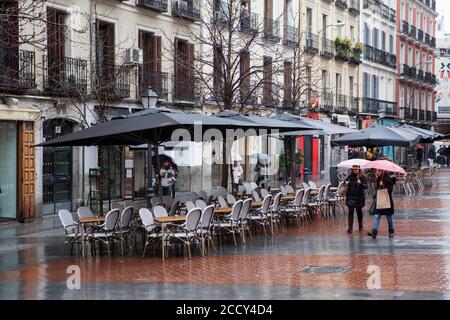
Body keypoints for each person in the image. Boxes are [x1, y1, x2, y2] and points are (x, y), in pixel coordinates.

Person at [368, 169, 396, 239]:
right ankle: (374, 232)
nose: (376, 172)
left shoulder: (389, 180)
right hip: (379, 200)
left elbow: (390, 190)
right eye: (376, 171)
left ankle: (391, 231)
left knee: (389, 217)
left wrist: (383, 185)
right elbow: (376, 189)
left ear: (382, 172)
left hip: (386, 201)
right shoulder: (377, 179)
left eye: (378, 171)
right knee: (377, 216)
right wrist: (379, 186)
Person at [345, 165, 368, 234]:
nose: (355, 170)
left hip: (359, 197)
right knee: (350, 212)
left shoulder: (362, 177)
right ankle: (350, 227)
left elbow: (366, 187)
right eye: (353, 169)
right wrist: (346, 183)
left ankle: (360, 226)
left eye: (356, 169)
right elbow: (345, 184)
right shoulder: (349, 176)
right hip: (350, 196)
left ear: (359, 169)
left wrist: (360, 183)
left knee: (359, 212)